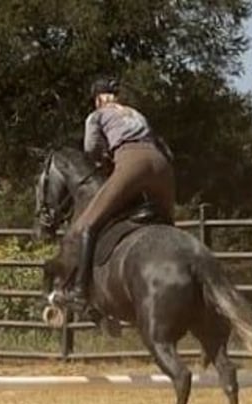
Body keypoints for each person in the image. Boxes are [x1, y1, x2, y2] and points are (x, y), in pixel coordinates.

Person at [61, 76, 177, 311]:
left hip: (132, 163)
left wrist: (104, 160)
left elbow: (91, 148)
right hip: (162, 166)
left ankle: (80, 292)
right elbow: (161, 145)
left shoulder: (97, 116)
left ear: (97, 99)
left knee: (87, 225)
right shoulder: (135, 114)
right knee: (168, 226)